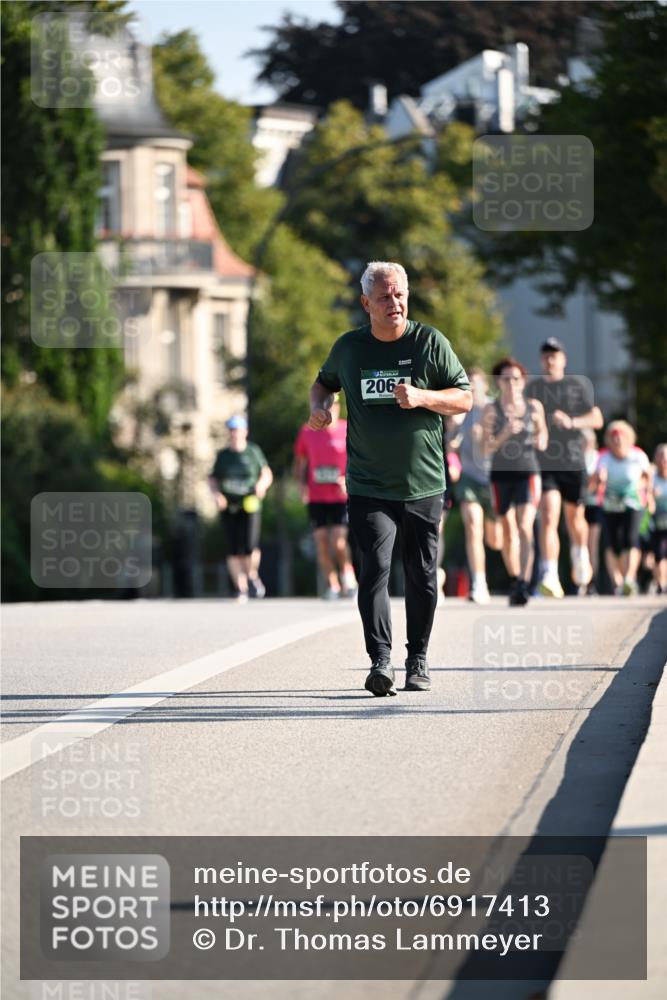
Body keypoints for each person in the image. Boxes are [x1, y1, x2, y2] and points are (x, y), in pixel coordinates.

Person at [309, 261, 472, 696]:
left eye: (399, 294)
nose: (394, 302)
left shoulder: (429, 343)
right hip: (368, 485)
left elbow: (464, 398)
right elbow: (323, 384)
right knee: (374, 571)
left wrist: (423, 396)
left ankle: (417, 657)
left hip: (423, 483)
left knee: (421, 575)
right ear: (366, 303)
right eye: (384, 296)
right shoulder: (350, 348)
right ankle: (380, 661)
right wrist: (319, 408)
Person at [526, 338, 604, 597]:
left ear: (563, 360)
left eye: (555, 355)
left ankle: (580, 554)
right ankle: (550, 573)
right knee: (548, 516)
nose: (550, 360)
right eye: (546, 355)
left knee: (575, 519)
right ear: (541, 360)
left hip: (573, 461)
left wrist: (571, 421)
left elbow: (597, 418)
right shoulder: (533, 388)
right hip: (545, 462)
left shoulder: (576, 386)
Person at [482, 357, 548, 606]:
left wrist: (541, 440)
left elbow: (543, 433)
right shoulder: (492, 410)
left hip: (528, 472)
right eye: (506, 379)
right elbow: (486, 447)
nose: (511, 384)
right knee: (508, 531)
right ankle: (514, 578)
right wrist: (505, 434)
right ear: (499, 382)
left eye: (516, 379)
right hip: (501, 475)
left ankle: (523, 581)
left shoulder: (534, 407)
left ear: (523, 381)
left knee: (524, 526)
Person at [449, 367, 506, 603]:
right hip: (469, 478)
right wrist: (454, 426)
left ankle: (512, 572)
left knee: (495, 540)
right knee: (473, 526)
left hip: (493, 479)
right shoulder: (460, 410)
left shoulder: (496, 407)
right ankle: (479, 583)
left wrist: (485, 434)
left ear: (485, 385)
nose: (471, 387)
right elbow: (450, 447)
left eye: (474, 383)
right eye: (467, 384)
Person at [293, 396, 357, 599]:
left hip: (340, 496)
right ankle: (332, 585)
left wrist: (348, 480)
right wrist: (301, 486)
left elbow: (358, 459)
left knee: (338, 541)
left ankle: (348, 576)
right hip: (316, 496)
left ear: (338, 407)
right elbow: (301, 463)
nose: (330, 410)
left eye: (334, 405)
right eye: (325, 406)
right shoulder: (307, 431)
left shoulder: (347, 429)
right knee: (321, 541)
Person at [208, 416, 273, 602]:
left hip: (250, 503)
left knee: (250, 547)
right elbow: (213, 479)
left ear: (245, 432)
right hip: (229, 506)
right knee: (233, 548)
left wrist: (261, 486)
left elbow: (266, 473)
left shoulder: (253, 452)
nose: (234, 434)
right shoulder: (223, 456)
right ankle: (241, 588)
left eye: (238, 430)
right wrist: (216, 495)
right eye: (231, 430)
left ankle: (252, 575)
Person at [590, 420, 650, 596]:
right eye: (614, 438)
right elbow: (592, 485)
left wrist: (646, 492)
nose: (617, 441)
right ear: (609, 440)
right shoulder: (604, 457)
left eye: (621, 438)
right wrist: (599, 479)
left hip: (633, 503)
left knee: (631, 539)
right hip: (609, 504)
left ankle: (629, 579)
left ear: (628, 439)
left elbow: (648, 477)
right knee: (612, 543)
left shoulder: (638, 455)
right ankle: (617, 582)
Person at [581, 427, 603, 594]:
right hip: (579, 505)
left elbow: (599, 481)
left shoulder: (597, 457)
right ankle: (580, 579)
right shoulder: (576, 457)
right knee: (580, 542)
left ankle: (592, 582)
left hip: (594, 504)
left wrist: (590, 485)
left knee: (592, 544)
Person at [649, 443, 667, 594]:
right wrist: (651, 497)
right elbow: (645, 497)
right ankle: (661, 584)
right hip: (656, 521)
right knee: (659, 553)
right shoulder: (652, 477)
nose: (664, 461)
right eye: (661, 457)